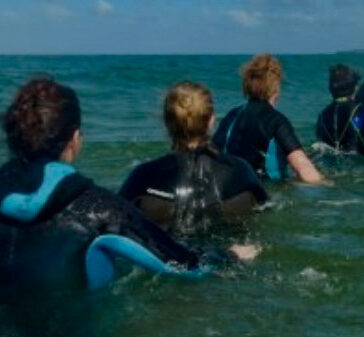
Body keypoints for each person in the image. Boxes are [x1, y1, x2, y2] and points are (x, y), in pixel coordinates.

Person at [0, 77, 216, 298]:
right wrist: (228, 256)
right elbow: (186, 267)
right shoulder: (97, 209)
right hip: (66, 331)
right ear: (75, 139)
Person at [119, 81, 268, 234]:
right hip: (228, 253)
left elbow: (114, 221)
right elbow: (266, 208)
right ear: (211, 121)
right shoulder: (240, 171)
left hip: (163, 253)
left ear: (166, 122)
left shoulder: (142, 176)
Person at [213, 54, 323, 183]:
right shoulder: (276, 121)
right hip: (262, 193)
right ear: (275, 87)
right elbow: (302, 166)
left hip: (227, 187)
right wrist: (327, 187)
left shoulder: (231, 116)